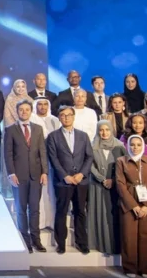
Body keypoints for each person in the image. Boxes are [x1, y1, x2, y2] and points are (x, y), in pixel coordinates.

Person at [46, 106, 93, 255]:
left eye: (69, 115)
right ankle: (61, 244)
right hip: (63, 182)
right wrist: (65, 176)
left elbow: (89, 157)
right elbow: (53, 158)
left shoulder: (83, 136)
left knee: (80, 212)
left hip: (80, 181)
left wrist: (81, 174)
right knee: (61, 212)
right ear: (59, 118)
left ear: (73, 117)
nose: (66, 118)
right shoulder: (53, 136)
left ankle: (81, 243)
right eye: (63, 115)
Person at [5, 100, 47, 253]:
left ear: (31, 111)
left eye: (27, 109)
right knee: (21, 209)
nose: (24, 112)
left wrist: (45, 172)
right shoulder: (10, 130)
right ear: (17, 112)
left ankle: (36, 240)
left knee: (35, 209)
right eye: (21, 109)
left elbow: (42, 152)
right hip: (19, 176)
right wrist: (11, 173)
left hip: (36, 175)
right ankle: (25, 241)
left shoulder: (38, 129)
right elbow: (8, 154)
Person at [116, 135, 147, 278]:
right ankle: (130, 267)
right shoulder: (121, 161)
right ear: (128, 146)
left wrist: (146, 206)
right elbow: (120, 185)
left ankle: (145, 268)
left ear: (143, 146)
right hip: (129, 203)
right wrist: (133, 206)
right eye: (132, 144)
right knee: (129, 236)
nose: (135, 147)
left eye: (138, 145)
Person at [88, 120, 124, 256]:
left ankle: (114, 245)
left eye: (107, 130)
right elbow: (89, 164)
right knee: (99, 213)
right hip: (97, 185)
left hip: (115, 186)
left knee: (112, 214)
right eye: (101, 130)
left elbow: (124, 165)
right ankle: (99, 244)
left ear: (111, 130)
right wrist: (101, 178)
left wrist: (113, 180)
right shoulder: (93, 146)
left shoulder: (119, 146)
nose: (104, 133)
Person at [31, 98, 60, 235]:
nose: (42, 107)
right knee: (39, 191)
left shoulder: (55, 120)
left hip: (52, 159)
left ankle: (51, 221)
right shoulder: (31, 119)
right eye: (40, 104)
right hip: (36, 159)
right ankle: (40, 222)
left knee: (51, 191)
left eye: (45, 104)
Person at [3, 79, 33, 187]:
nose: (20, 89)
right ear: (14, 88)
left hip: (29, 134)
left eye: (23, 86)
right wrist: (18, 130)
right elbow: (8, 118)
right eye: (18, 86)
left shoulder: (30, 100)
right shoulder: (9, 100)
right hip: (15, 134)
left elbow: (33, 119)